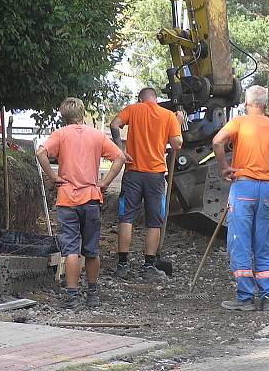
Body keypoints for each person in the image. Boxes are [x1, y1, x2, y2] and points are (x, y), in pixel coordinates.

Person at [37, 97, 125, 310]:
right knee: (91, 250)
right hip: (92, 198)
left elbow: (40, 152)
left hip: (67, 199)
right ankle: (93, 294)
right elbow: (120, 157)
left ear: (63, 116)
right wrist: (104, 183)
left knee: (71, 251)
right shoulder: (96, 135)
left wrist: (53, 176)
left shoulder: (60, 134)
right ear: (83, 113)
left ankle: (73, 297)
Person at [212, 85, 269, 312]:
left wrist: (224, 167)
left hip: (243, 187)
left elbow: (217, 141)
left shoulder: (239, 122)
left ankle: (245, 297)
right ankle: (268, 296)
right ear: (266, 105)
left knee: (239, 241)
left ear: (246, 104)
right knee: (263, 241)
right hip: (266, 189)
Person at [109, 87, 183, 281]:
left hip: (132, 172)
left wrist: (120, 149)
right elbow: (177, 144)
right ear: (156, 99)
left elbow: (114, 124)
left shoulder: (132, 110)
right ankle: (149, 266)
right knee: (154, 221)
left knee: (126, 217)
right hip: (155, 176)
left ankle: (122, 265)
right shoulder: (168, 115)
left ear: (140, 98)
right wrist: (179, 123)